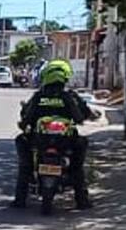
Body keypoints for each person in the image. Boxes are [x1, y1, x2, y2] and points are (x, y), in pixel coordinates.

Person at [13, 59, 94, 209]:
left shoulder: (39, 96)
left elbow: (26, 117)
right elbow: (80, 117)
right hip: (66, 142)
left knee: (25, 164)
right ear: (65, 77)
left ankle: (20, 199)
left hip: (39, 142)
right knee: (77, 167)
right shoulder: (69, 96)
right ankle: (82, 200)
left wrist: (24, 125)